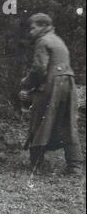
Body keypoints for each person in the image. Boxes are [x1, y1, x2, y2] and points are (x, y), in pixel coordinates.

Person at [19, 13, 83, 175]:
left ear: (42, 26)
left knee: (39, 120)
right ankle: (75, 166)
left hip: (52, 84)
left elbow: (39, 69)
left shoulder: (43, 41)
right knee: (67, 124)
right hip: (68, 83)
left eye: (33, 28)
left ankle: (37, 164)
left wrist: (26, 84)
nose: (30, 32)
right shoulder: (58, 40)